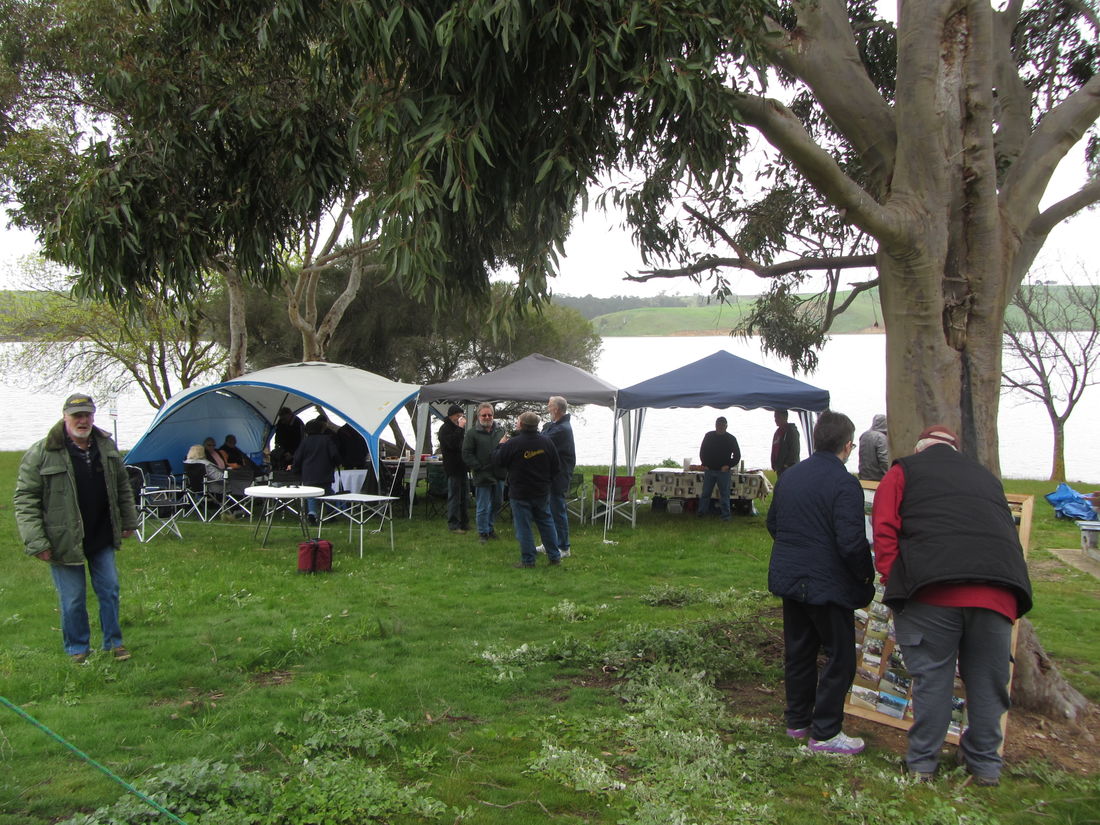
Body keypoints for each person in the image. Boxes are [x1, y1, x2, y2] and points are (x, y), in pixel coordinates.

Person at [871, 425, 1033, 785]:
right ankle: (985, 764)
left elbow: (883, 529)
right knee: (989, 682)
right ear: (955, 451)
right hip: (996, 592)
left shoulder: (903, 471)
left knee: (933, 679)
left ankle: (922, 763)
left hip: (932, 591)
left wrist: (893, 578)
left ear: (920, 448)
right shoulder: (987, 479)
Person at [767, 409, 874, 755]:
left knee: (799, 651)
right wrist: (865, 576)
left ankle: (798, 720)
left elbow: (774, 524)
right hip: (828, 583)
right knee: (840, 657)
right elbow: (852, 542)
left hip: (792, 576)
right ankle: (826, 732)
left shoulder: (790, 476)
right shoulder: (845, 483)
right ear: (848, 446)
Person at [14, 393, 139, 663]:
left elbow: (122, 487)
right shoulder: (42, 452)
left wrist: (129, 521)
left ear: (93, 416)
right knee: (72, 599)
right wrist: (36, 541)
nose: (82, 421)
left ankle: (114, 643)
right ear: (65, 417)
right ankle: (78, 649)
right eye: (76, 416)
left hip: (101, 533)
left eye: (87, 415)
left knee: (110, 590)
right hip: (63, 539)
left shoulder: (106, 446)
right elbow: (25, 499)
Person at [493, 411, 562, 567]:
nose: (516, 423)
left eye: (517, 421)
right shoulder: (547, 442)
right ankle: (554, 557)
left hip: (520, 493)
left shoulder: (513, 443)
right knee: (546, 523)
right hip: (541, 491)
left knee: (523, 527)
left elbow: (498, 460)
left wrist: (500, 445)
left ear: (522, 425)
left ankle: (528, 560)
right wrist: (547, 482)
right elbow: (556, 467)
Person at [462, 403, 508, 543]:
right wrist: (478, 466)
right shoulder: (472, 433)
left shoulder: (501, 431)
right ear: (478, 416)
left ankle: (490, 527)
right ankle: (483, 532)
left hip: (499, 473)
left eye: (490, 415)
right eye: (484, 415)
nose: (487, 417)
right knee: (482, 506)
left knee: (497, 502)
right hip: (482, 474)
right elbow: (466, 453)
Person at [541, 396, 576, 557]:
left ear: (556, 409)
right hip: (551, 474)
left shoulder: (562, 429)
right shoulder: (556, 425)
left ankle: (563, 547)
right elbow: (543, 434)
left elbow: (542, 440)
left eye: (549, 406)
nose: (548, 409)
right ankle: (550, 543)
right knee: (549, 510)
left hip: (558, 475)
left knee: (557, 511)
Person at [293, 418, 340, 524]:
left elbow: (297, 457)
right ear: (321, 429)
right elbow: (334, 454)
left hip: (309, 473)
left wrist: (295, 470)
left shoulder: (305, 441)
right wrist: (337, 463)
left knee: (311, 495)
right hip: (325, 472)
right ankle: (331, 513)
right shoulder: (327, 439)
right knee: (328, 492)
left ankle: (312, 514)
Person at [697, 416, 741, 521]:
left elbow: (737, 456)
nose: (720, 427)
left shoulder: (731, 438)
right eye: (718, 425)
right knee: (706, 493)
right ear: (715, 425)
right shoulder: (709, 436)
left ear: (726, 426)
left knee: (724, 494)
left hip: (723, 471)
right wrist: (704, 463)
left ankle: (726, 515)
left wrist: (728, 465)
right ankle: (701, 512)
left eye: (722, 425)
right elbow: (702, 451)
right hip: (710, 470)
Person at [437, 404, 470, 534]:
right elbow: (452, 444)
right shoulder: (445, 429)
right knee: (454, 497)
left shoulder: (458, 429)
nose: (460, 418)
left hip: (463, 466)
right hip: (452, 467)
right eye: (458, 416)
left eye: (461, 416)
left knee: (464, 497)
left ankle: (464, 523)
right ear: (451, 416)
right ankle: (453, 525)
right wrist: (460, 428)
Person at [857, 414, 890, 481]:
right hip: (878, 479)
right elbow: (884, 460)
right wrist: (890, 477)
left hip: (864, 477)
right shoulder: (881, 438)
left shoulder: (864, 435)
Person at [770, 409, 801, 478]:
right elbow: (775, 449)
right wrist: (775, 465)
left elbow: (795, 451)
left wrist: (786, 465)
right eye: (775, 417)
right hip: (780, 469)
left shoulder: (791, 431)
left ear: (785, 418)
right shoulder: (778, 432)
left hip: (789, 470)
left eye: (778, 417)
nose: (775, 420)